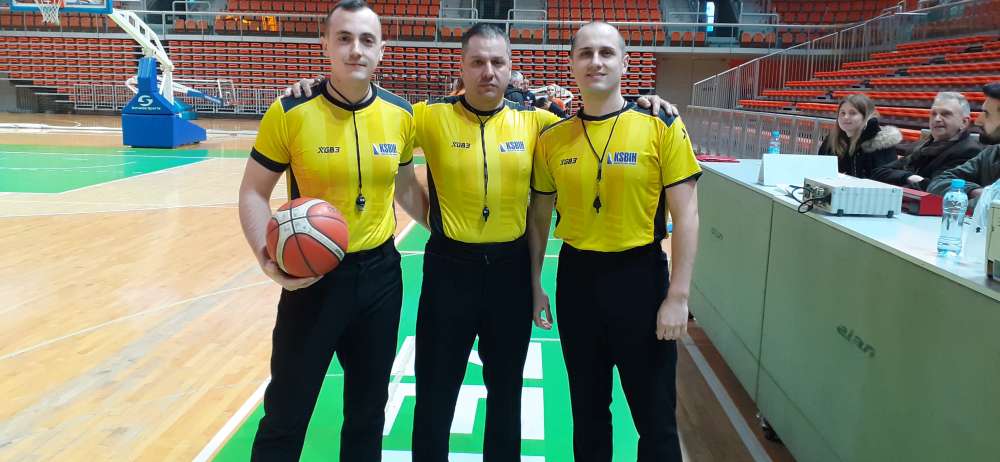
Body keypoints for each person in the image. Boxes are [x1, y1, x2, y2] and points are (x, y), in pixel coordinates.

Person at [283, 24, 677, 459]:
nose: (488, 71)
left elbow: (599, 117)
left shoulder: (540, 124)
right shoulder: (425, 116)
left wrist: (647, 102)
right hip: (448, 270)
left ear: (511, 69)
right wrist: (319, 88)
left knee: (506, 394)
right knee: (434, 393)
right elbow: (370, 109)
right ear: (462, 67)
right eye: (478, 62)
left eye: (497, 62)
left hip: (510, 272)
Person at [236, 1, 426, 460]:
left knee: (368, 413)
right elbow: (253, 192)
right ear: (325, 44)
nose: (355, 49)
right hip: (313, 279)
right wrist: (267, 257)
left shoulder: (401, 114)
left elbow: (405, 188)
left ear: (382, 50)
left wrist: (453, 230)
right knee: (287, 411)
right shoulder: (291, 110)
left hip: (380, 276)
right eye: (344, 38)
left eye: (366, 40)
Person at [527, 21, 700, 461]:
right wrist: (535, 283)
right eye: (585, 53)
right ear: (571, 64)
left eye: (606, 52)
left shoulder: (661, 124)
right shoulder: (552, 139)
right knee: (587, 414)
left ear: (625, 63)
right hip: (577, 280)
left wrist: (678, 296)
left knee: (655, 419)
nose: (595, 61)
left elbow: (687, 215)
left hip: (641, 279)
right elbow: (540, 216)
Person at [871, 92, 982, 190]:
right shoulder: (919, 146)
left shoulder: (968, 151)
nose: (937, 119)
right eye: (933, 114)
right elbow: (879, 172)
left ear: (964, 122)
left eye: (946, 114)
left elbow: (935, 187)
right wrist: (909, 177)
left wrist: (901, 179)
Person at [928, 83, 1000, 201]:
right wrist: (975, 192)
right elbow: (938, 182)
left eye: (987, 114)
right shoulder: (991, 154)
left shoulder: (969, 150)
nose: (978, 121)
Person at [817, 94, 902, 179]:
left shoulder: (881, 143)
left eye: (853, 113)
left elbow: (887, 177)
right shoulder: (831, 139)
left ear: (867, 117)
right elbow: (820, 171)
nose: (845, 117)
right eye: (842, 113)